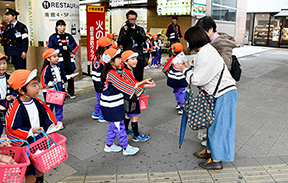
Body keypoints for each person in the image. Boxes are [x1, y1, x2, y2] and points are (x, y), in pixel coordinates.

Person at [176, 26, 237, 171]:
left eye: (188, 41)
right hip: (218, 93)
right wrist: (189, 67)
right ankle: (210, 152)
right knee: (213, 125)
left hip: (224, 94)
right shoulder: (206, 50)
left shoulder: (206, 53)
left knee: (219, 128)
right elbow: (203, 71)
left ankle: (216, 160)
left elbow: (197, 79)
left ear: (193, 41)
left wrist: (184, 70)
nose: (188, 44)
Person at [6, 69, 58, 183]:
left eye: (37, 84)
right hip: (25, 145)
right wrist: (30, 131)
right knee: (30, 174)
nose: (38, 87)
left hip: (39, 141)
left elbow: (46, 116)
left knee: (40, 169)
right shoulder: (15, 108)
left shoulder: (38, 102)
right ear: (22, 90)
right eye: (33, 85)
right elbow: (12, 129)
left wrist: (51, 125)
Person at [100, 48, 155, 155]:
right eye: (118, 58)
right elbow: (126, 86)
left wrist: (142, 84)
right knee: (118, 127)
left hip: (112, 105)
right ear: (111, 61)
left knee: (113, 126)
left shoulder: (113, 72)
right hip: (111, 106)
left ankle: (109, 145)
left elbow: (127, 84)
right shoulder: (112, 74)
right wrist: (143, 83)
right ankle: (126, 147)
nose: (121, 60)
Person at [121, 50, 155, 142]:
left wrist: (146, 85)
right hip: (132, 97)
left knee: (128, 115)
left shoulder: (127, 70)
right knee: (135, 116)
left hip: (128, 97)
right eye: (132, 59)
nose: (135, 60)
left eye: (135, 58)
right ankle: (136, 135)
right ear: (125, 61)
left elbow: (135, 83)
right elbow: (134, 85)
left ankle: (125, 129)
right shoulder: (127, 72)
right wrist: (147, 85)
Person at [40, 48, 75, 130]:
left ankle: (59, 120)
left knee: (59, 105)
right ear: (48, 59)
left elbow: (63, 77)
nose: (57, 58)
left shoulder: (59, 67)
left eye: (57, 56)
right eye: (54, 57)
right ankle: (49, 122)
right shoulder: (46, 69)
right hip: (51, 91)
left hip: (59, 88)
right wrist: (50, 83)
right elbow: (43, 82)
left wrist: (69, 77)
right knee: (50, 107)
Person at [48, 19, 79, 99]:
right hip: (59, 59)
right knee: (60, 77)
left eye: (63, 26)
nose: (62, 27)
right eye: (60, 26)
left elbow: (75, 45)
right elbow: (50, 47)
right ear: (56, 27)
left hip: (69, 59)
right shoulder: (53, 37)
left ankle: (71, 92)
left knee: (71, 76)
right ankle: (62, 93)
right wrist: (60, 48)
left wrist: (68, 47)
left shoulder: (69, 36)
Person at [118, 10, 147, 82]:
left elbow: (143, 39)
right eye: (130, 19)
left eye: (134, 19)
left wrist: (136, 33)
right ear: (127, 19)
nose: (132, 21)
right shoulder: (124, 29)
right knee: (127, 78)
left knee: (139, 77)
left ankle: (139, 92)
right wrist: (125, 33)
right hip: (127, 57)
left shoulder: (139, 29)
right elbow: (120, 41)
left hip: (138, 57)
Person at [162, 43, 187, 115]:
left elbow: (164, 69)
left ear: (173, 51)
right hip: (182, 78)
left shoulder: (171, 59)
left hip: (173, 79)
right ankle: (181, 105)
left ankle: (181, 105)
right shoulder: (183, 58)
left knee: (176, 91)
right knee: (181, 91)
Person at [91, 37, 112, 122]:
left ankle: (96, 112)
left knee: (99, 97)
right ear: (105, 48)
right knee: (104, 98)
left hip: (96, 80)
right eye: (110, 46)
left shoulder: (96, 56)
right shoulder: (105, 57)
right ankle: (102, 115)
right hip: (102, 80)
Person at [0, 53, 16, 136]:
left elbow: (14, 88)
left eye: (4, 63)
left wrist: (12, 96)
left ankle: (10, 141)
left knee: (9, 123)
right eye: (0, 64)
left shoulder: (9, 77)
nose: (2, 66)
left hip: (7, 103)